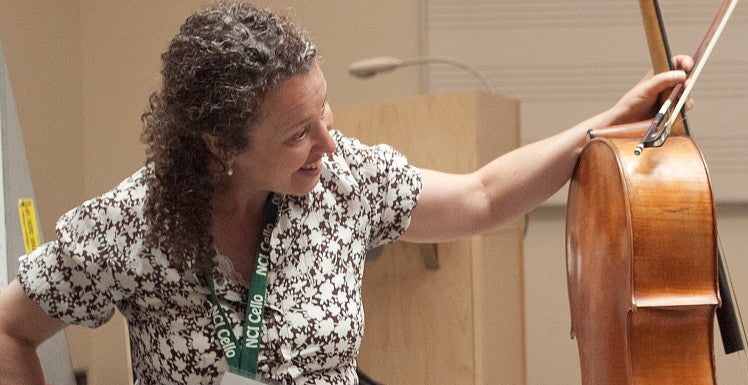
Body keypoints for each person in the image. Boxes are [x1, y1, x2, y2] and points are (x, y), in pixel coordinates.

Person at [0, 2, 693, 384]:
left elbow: (482, 195)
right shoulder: (132, 225)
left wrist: (609, 123)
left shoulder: (343, 179)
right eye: (299, 132)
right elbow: (10, 329)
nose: (328, 142)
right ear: (220, 144)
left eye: (325, 110)